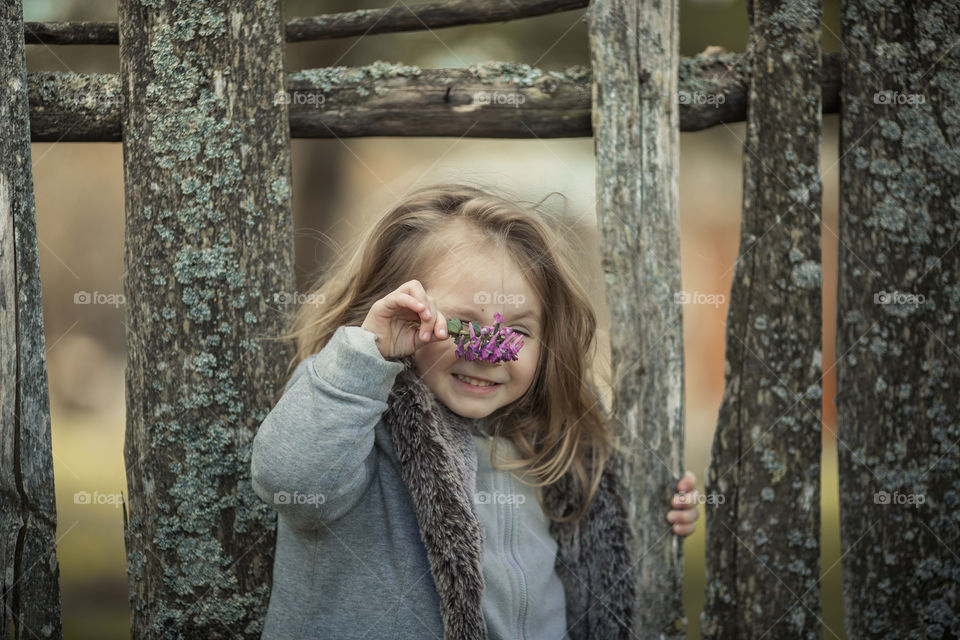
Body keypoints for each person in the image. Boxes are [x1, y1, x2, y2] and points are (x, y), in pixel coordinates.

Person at [251, 184, 700, 640]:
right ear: (401, 314)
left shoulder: (546, 440)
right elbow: (292, 480)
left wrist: (655, 511)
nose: (488, 354)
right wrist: (365, 356)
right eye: (461, 325)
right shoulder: (353, 412)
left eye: (517, 331)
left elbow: (598, 551)